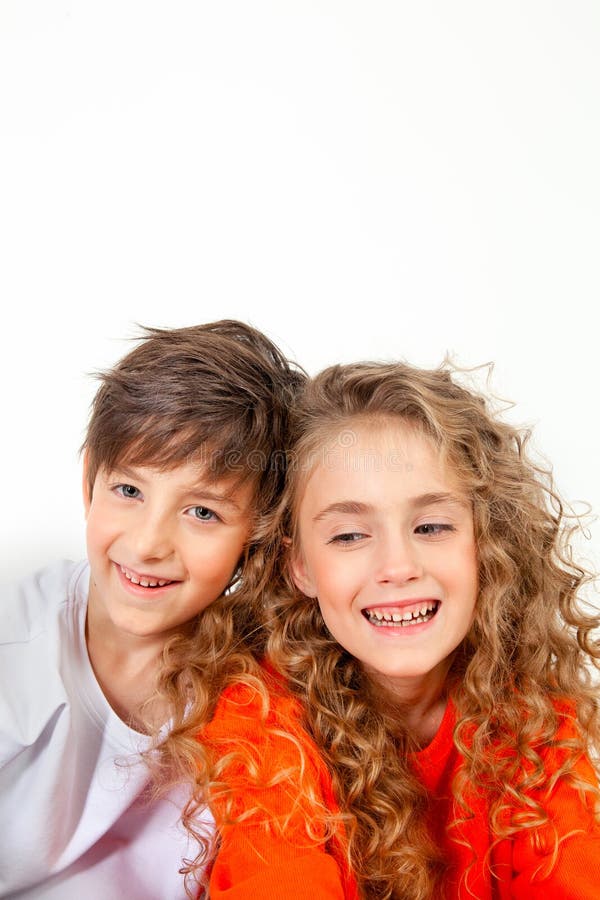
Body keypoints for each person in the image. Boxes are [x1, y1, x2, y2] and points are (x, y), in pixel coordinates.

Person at [201, 360, 600, 900]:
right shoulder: (260, 723)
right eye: (348, 536)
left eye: (431, 526)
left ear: (486, 542)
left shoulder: (534, 722)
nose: (398, 565)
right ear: (299, 568)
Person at [0, 320, 305, 899]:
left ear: (258, 533)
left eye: (203, 513)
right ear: (91, 478)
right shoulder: (15, 642)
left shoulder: (255, 702)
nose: (147, 544)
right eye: (130, 491)